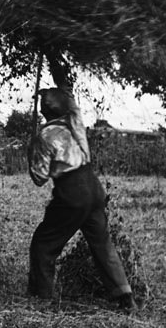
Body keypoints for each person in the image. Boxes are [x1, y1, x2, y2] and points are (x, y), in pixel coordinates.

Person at [27, 87, 136, 310]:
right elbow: (70, 98)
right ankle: (125, 297)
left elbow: (39, 177)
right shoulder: (75, 124)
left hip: (71, 193)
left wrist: (31, 152)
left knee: (43, 244)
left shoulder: (46, 135)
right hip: (94, 189)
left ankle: (42, 298)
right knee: (103, 244)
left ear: (44, 110)